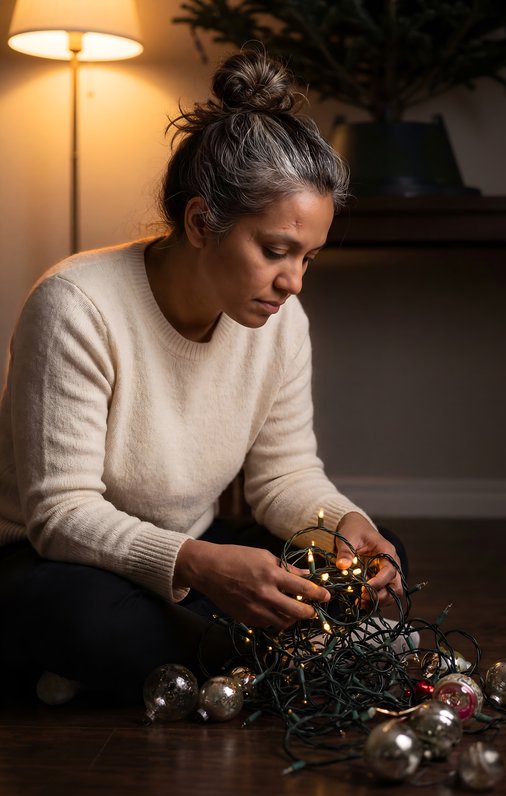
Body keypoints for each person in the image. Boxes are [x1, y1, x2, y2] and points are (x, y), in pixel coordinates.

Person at [0, 50, 409, 706]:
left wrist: (343, 523)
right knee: (83, 618)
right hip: (54, 561)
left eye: (308, 256)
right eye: (274, 251)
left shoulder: (283, 320)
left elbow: (283, 477)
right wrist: (195, 564)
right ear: (199, 223)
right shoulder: (76, 304)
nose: (293, 281)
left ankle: (200, 664)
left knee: (377, 559)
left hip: (191, 549)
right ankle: (284, 657)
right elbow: (61, 514)